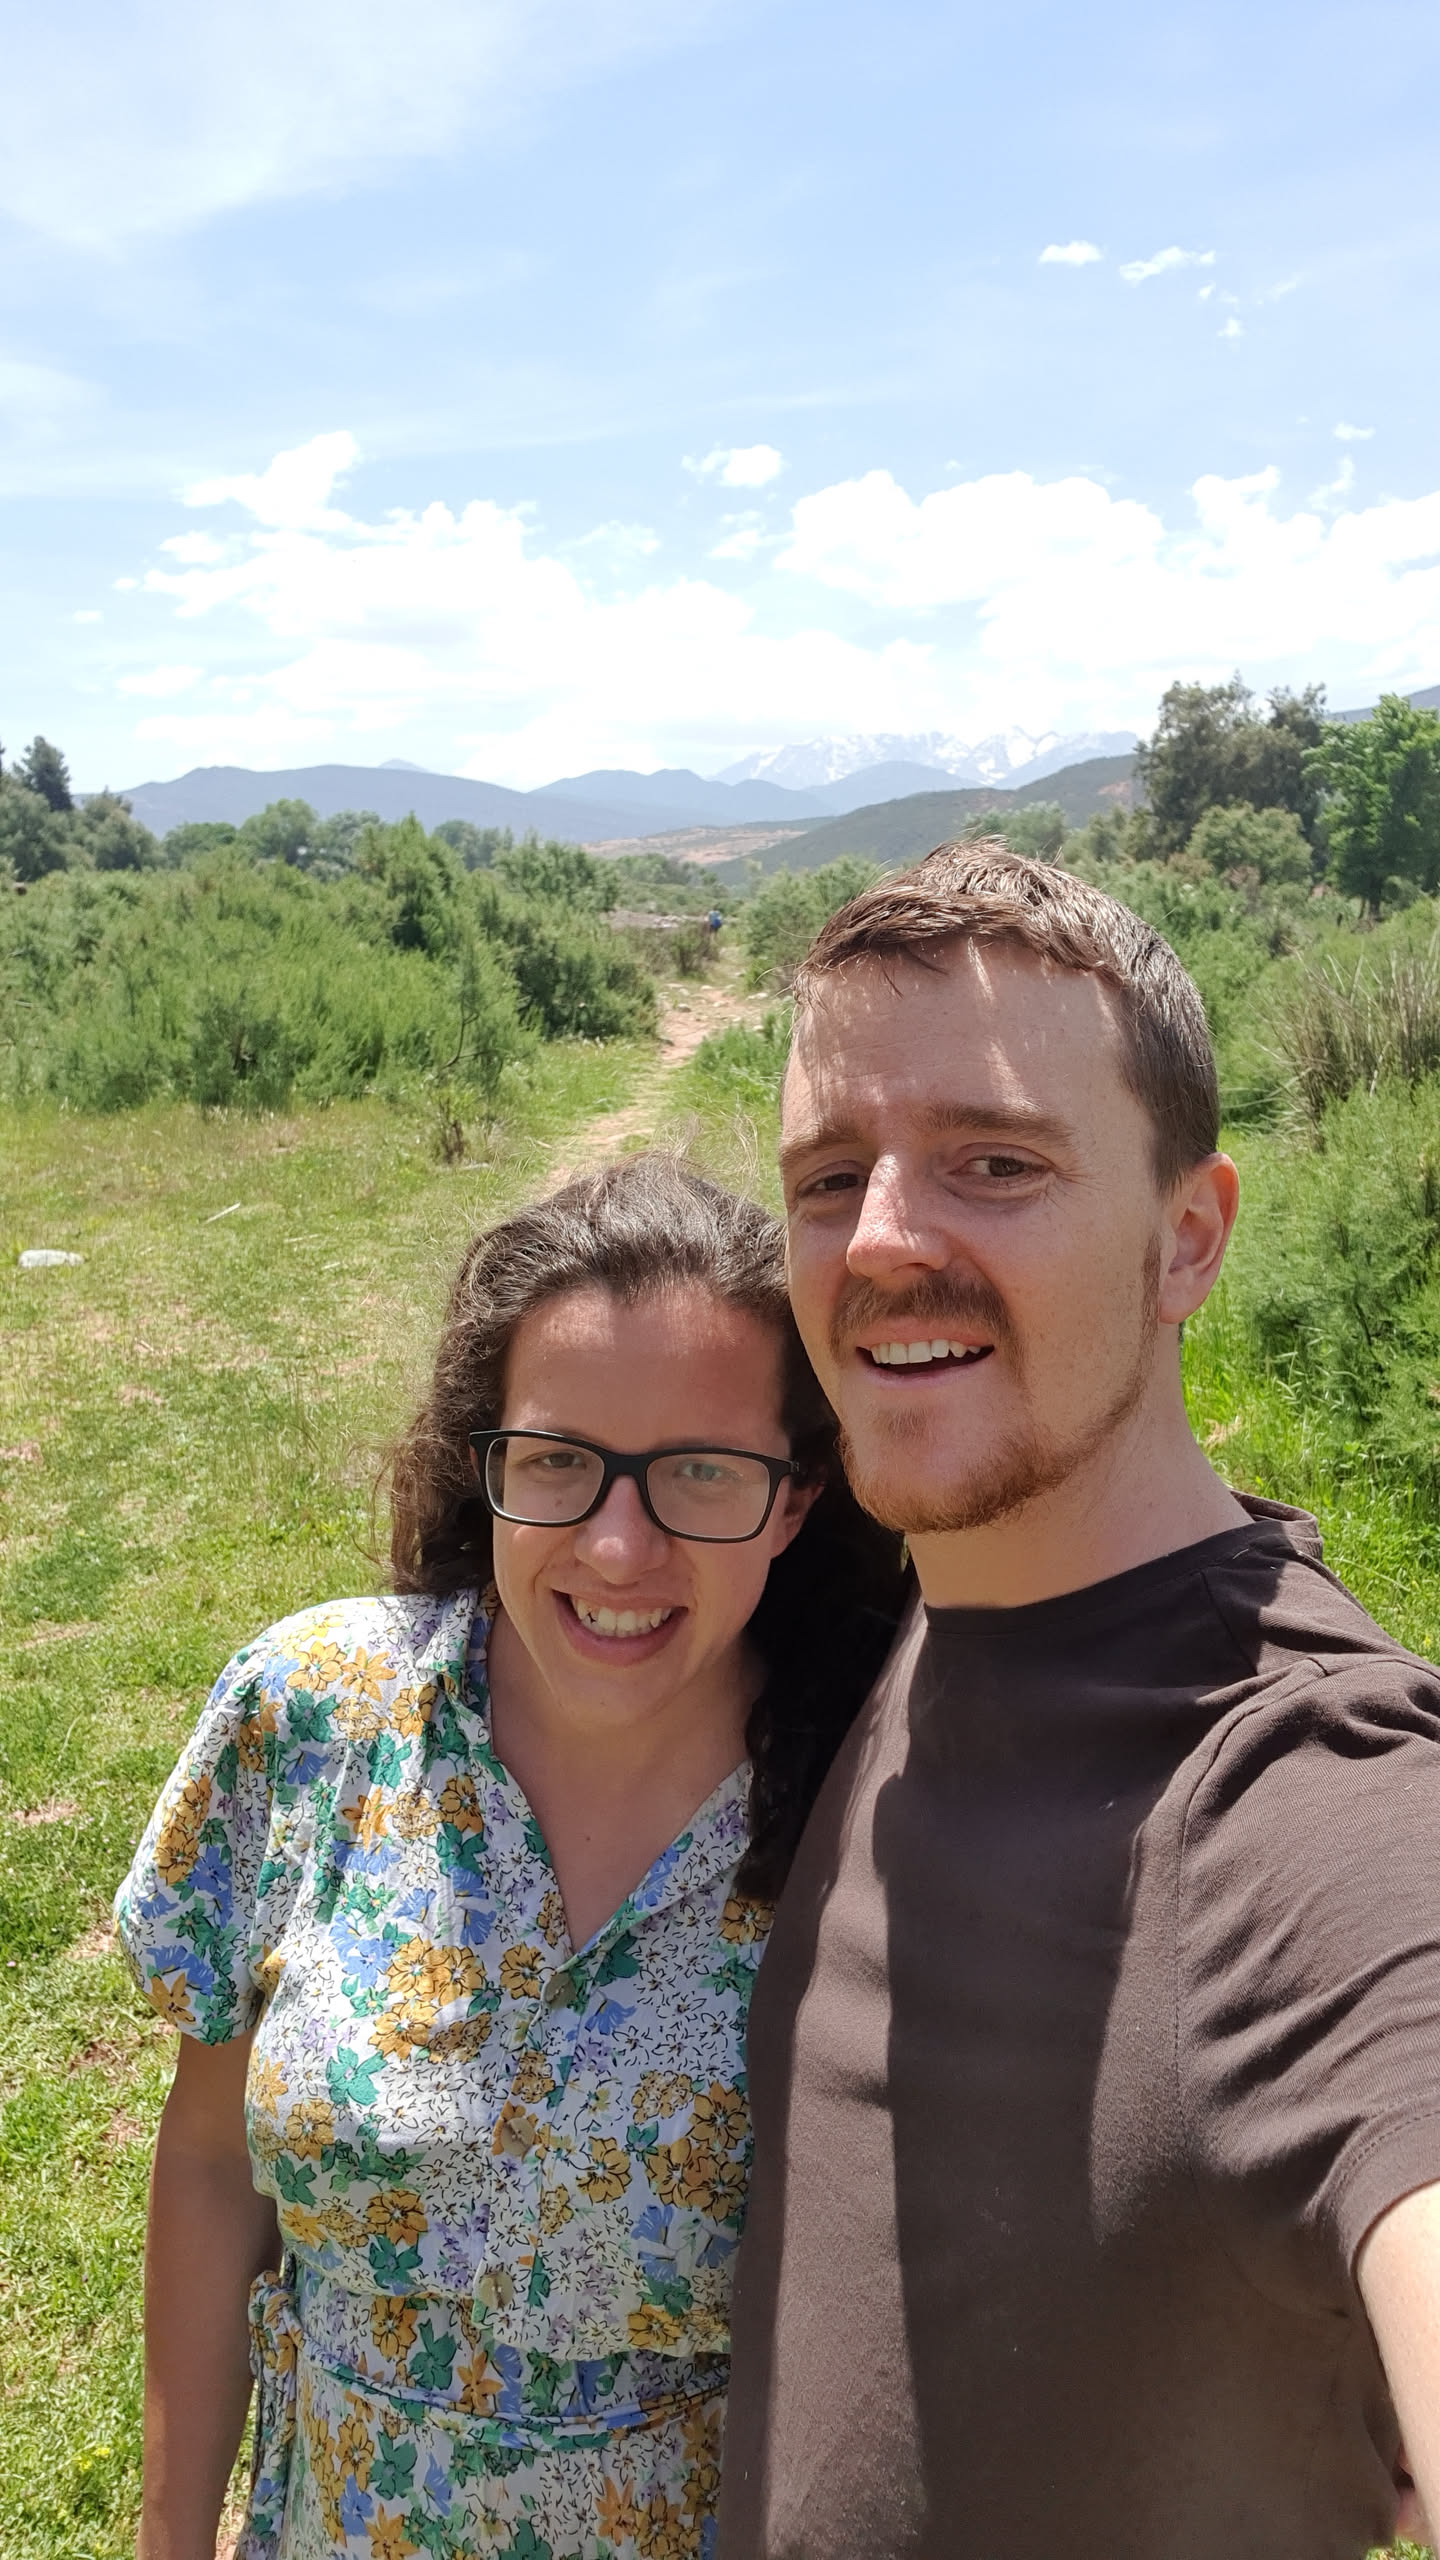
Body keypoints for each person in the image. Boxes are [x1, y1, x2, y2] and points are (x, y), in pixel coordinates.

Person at [717, 844, 1440, 2560]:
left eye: (997, 1163)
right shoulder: (939, 1603)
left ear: (1187, 1240)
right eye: (831, 1176)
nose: (883, 1241)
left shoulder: (1300, 1790)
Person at [115, 1155, 904, 2560]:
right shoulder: (311, 1716)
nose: (618, 1546)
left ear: (795, 1498)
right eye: (557, 1462)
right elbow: (215, 2167)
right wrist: (172, 2538)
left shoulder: (881, 1807)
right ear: (486, 1467)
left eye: (700, 1473)